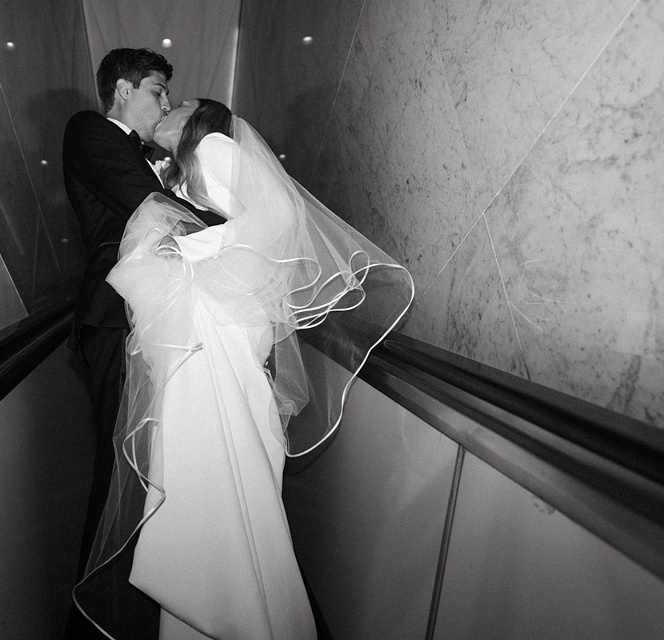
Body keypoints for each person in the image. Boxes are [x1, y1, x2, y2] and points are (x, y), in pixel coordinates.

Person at [73, 98, 414, 639]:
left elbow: (280, 216)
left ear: (199, 122)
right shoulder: (184, 170)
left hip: (221, 334)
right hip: (208, 331)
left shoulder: (213, 147)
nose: (166, 107)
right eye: (161, 96)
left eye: (176, 104)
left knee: (219, 460)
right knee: (201, 462)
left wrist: (186, 250)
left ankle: (233, 611)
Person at [63, 50, 226, 639]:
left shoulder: (150, 157)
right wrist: (236, 233)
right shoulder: (89, 130)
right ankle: (96, 623)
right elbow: (148, 202)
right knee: (118, 469)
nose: (163, 104)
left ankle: (157, 603)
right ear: (125, 89)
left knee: (153, 468)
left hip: (154, 320)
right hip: (115, 318)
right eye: (157, 91)